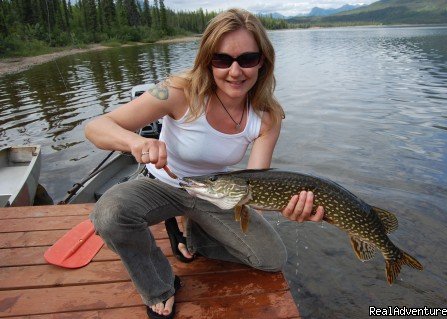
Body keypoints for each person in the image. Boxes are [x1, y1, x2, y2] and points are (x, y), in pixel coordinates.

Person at [85, 8, 324, 319]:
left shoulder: (267, 116)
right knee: (109, 215)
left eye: (247, 59)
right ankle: (158, 285)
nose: (235, 71)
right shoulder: (178, 91)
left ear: (262, 60)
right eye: (222, 60)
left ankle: (194, 234)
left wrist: (292, 208)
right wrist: (136, 142)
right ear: (208, 59)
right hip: (162, 183)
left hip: (218, 193)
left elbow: (257, 189)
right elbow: (96, 127)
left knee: (271, 258)